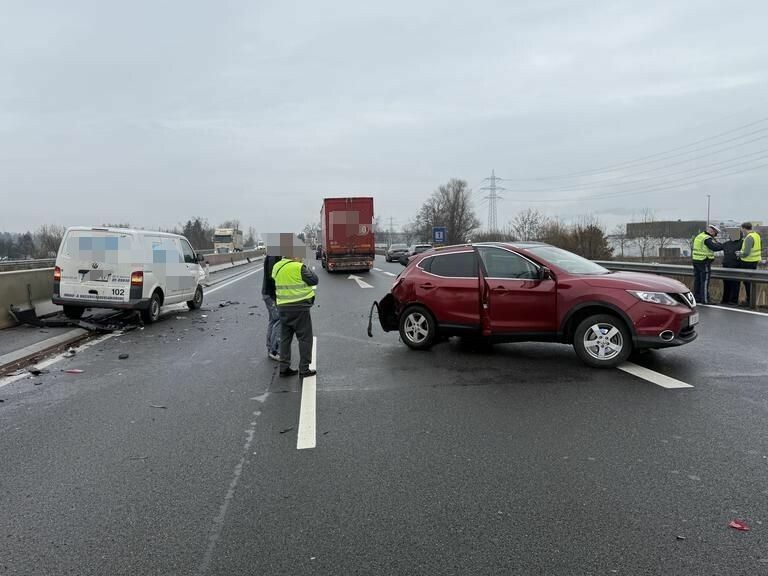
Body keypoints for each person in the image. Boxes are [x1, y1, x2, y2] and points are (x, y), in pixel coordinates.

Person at [272, 252, 319, 378]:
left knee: (285, 339)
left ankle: (284, 368)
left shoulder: (277, 267)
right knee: (304, 338)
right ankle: (304, 369)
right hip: (299, 308)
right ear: (294, 256)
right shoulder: (298, 267)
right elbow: (314, 280)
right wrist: (303, 265)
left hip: (282, 307)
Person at [691, 224, 724, 304]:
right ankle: (705, 300)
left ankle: (697, 298)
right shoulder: (707, 238)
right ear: (712, 231)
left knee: (697, 280)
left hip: (696, 260)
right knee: (705, 281)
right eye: (715, 233)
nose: (715, 235)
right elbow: (714, 247)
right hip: (704, 261)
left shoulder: (700, 236)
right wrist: (724, 246)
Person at [261, 254, 282, 360]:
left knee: (273, 320)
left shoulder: (273, 254)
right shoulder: (274, 255)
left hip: (268, 294)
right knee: (279, 320)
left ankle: (270, 348)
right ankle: (274, 350)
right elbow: (272, 276)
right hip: (271, 294)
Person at [736, 222, 762, 306]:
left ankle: (749, 301)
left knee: (747, 282)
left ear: (744, 228)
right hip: (754, 261)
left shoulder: (749, 237)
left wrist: (739, 254)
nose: (741, 230)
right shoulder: (756, 235)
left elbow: (746, 252)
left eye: (741, 228)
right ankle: (751, 301)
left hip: (747, 262)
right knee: (751, 282)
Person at [720, 231, 743, 305]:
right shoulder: (742, 243)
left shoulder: (726, 243)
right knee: (734, 284)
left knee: (728, 284)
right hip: (735, 266)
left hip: (727, 266)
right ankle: (732, 301)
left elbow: (716, 247)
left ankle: (725, 300)